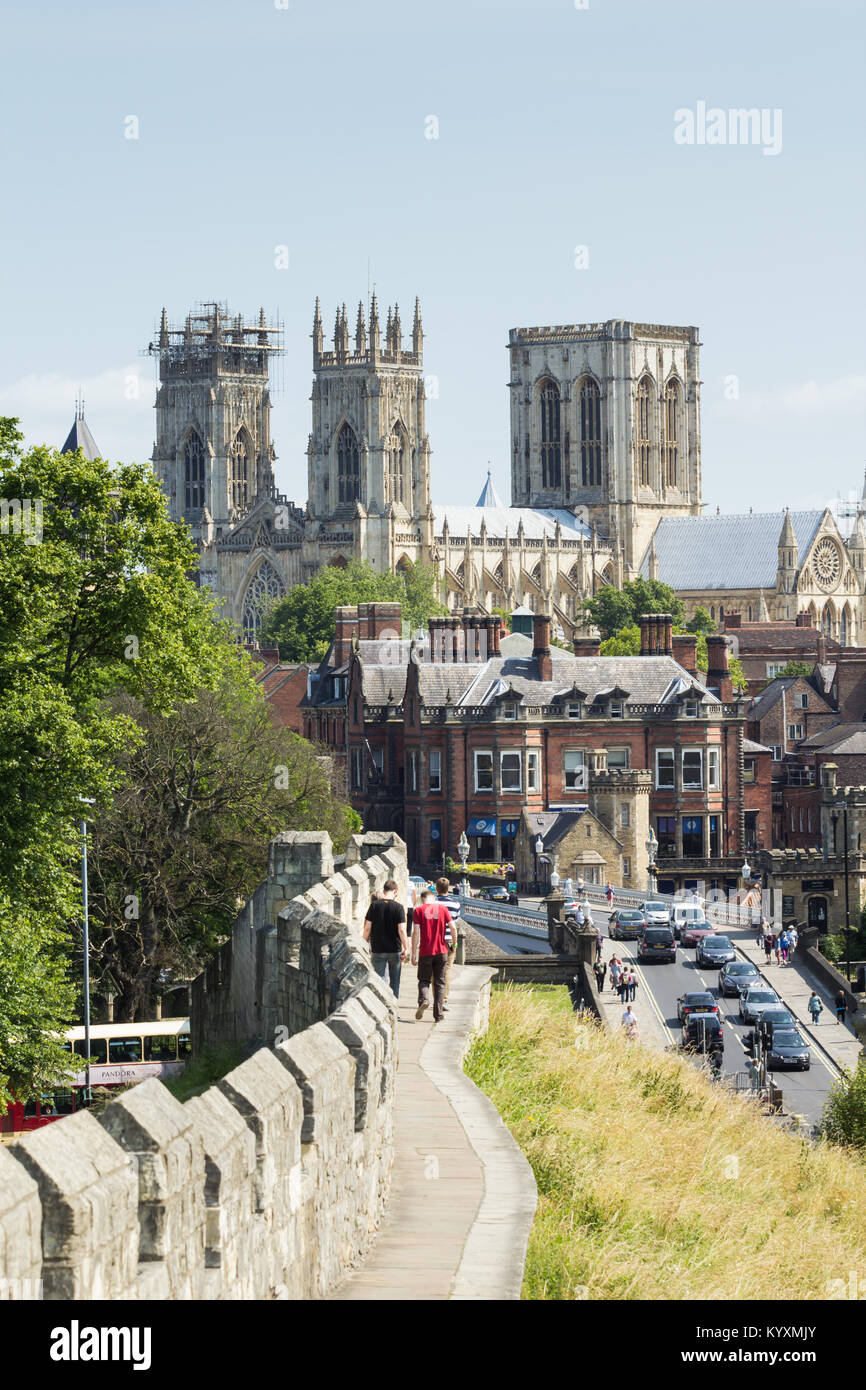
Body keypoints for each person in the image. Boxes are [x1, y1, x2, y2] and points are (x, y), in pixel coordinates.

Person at [363, 879, 409, 998]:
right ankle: (393, 1012)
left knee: (378, 982)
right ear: (395, 892)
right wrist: (406, 948)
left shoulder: (374, 906)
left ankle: (380, 1008)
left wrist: (363, 944)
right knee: (394, 983)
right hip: (395, 950)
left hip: (378, 949)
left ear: (384, 891)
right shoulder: (398, 908)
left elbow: (367, 928)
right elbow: (402, 930)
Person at [411, 889, 452, 1023]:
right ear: (433, 898)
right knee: (440, 982)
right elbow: (453, 927)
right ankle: (438, 1016)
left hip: (425, 951)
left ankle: (424, 1000)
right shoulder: (443, 909)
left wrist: (413, 953)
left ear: (422, 900)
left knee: (424, 980)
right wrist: (455, 944)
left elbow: (416, 932)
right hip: (442, 951)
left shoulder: (418, 911)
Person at [435, 876, 460, 1008]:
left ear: (436, 888)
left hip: (435, 939)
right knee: (447, 969)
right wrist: (455, 944)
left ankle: (436, 999)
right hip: (449, 940)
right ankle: (444, 999)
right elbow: (455, 924)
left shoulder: (432, 903)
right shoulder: (456, 904)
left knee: (435, 969)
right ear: (448, 889)